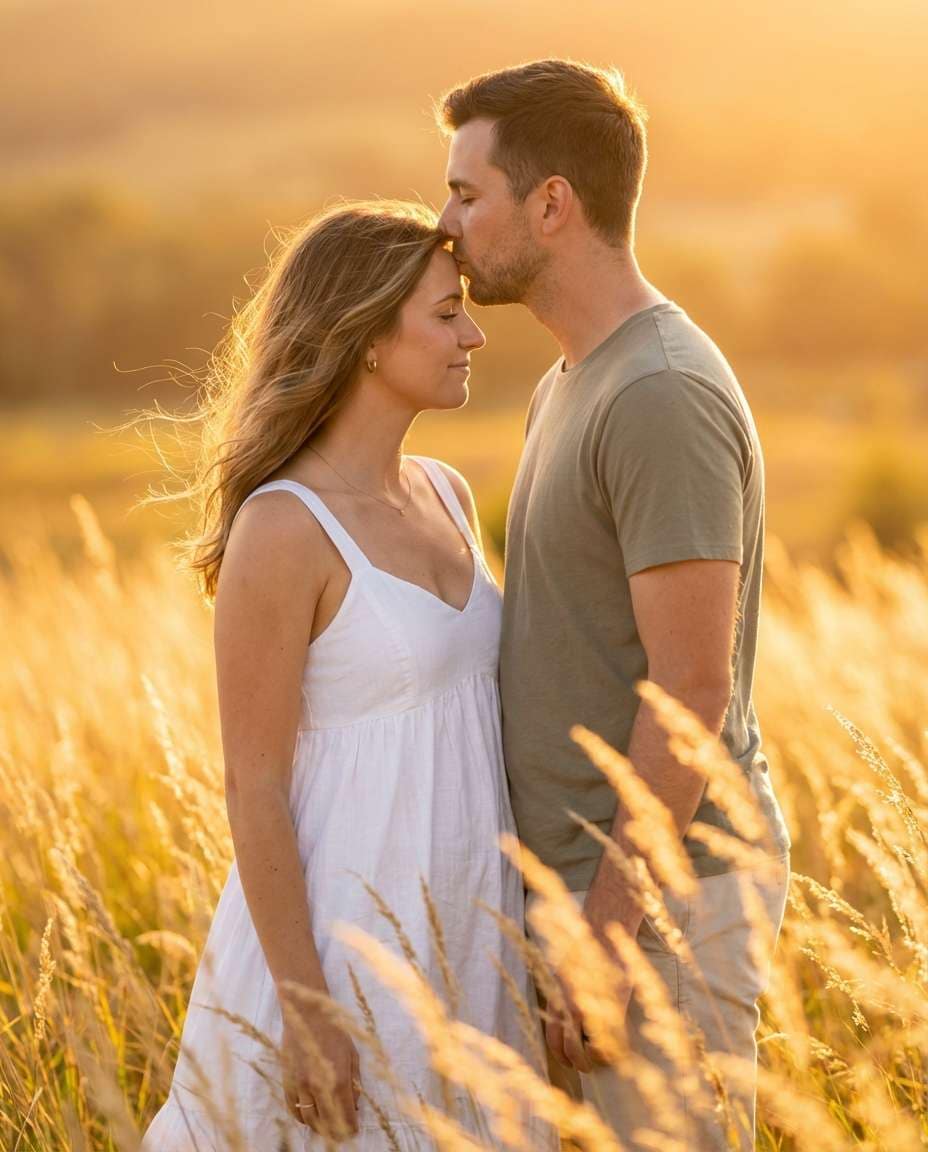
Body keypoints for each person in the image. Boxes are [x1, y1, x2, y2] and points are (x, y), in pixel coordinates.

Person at [142, 201, 555, 1151]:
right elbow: (253, 786)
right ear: (367, 337)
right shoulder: (283, 528)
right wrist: (309, 1010)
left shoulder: (447, 492)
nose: (475, 333)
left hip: (468, 942)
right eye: (447, 314)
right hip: (341, 947)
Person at [437, 59, 792, 1151]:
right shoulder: (571, 380)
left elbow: (689, 688)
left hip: (660, 905)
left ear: (552, 203)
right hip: (598, 900)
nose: (443, 223)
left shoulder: (657, 392)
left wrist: (606, 935)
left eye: (465, 192)